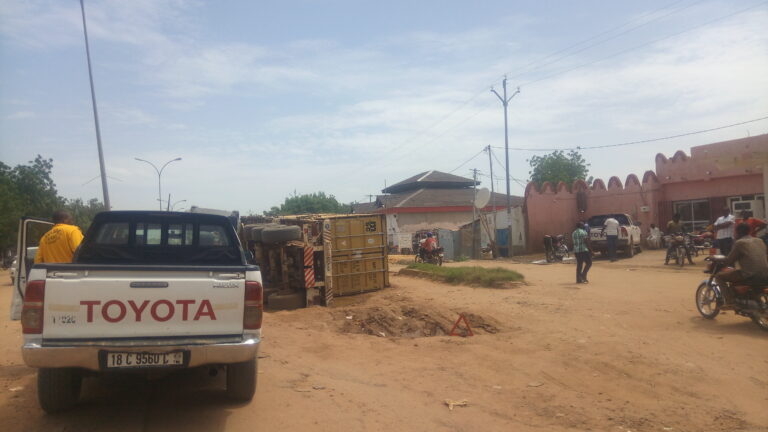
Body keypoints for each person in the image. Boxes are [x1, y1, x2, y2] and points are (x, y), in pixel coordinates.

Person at [715, 223, 768, 300]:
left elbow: (729, 260)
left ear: (738, 232)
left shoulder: (740, 243)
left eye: (734, 232)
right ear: (749, 231)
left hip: (749, 275)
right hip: (765, 275)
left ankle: (729, 301)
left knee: (719, 276)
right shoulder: (760, 241)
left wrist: (718, 261)